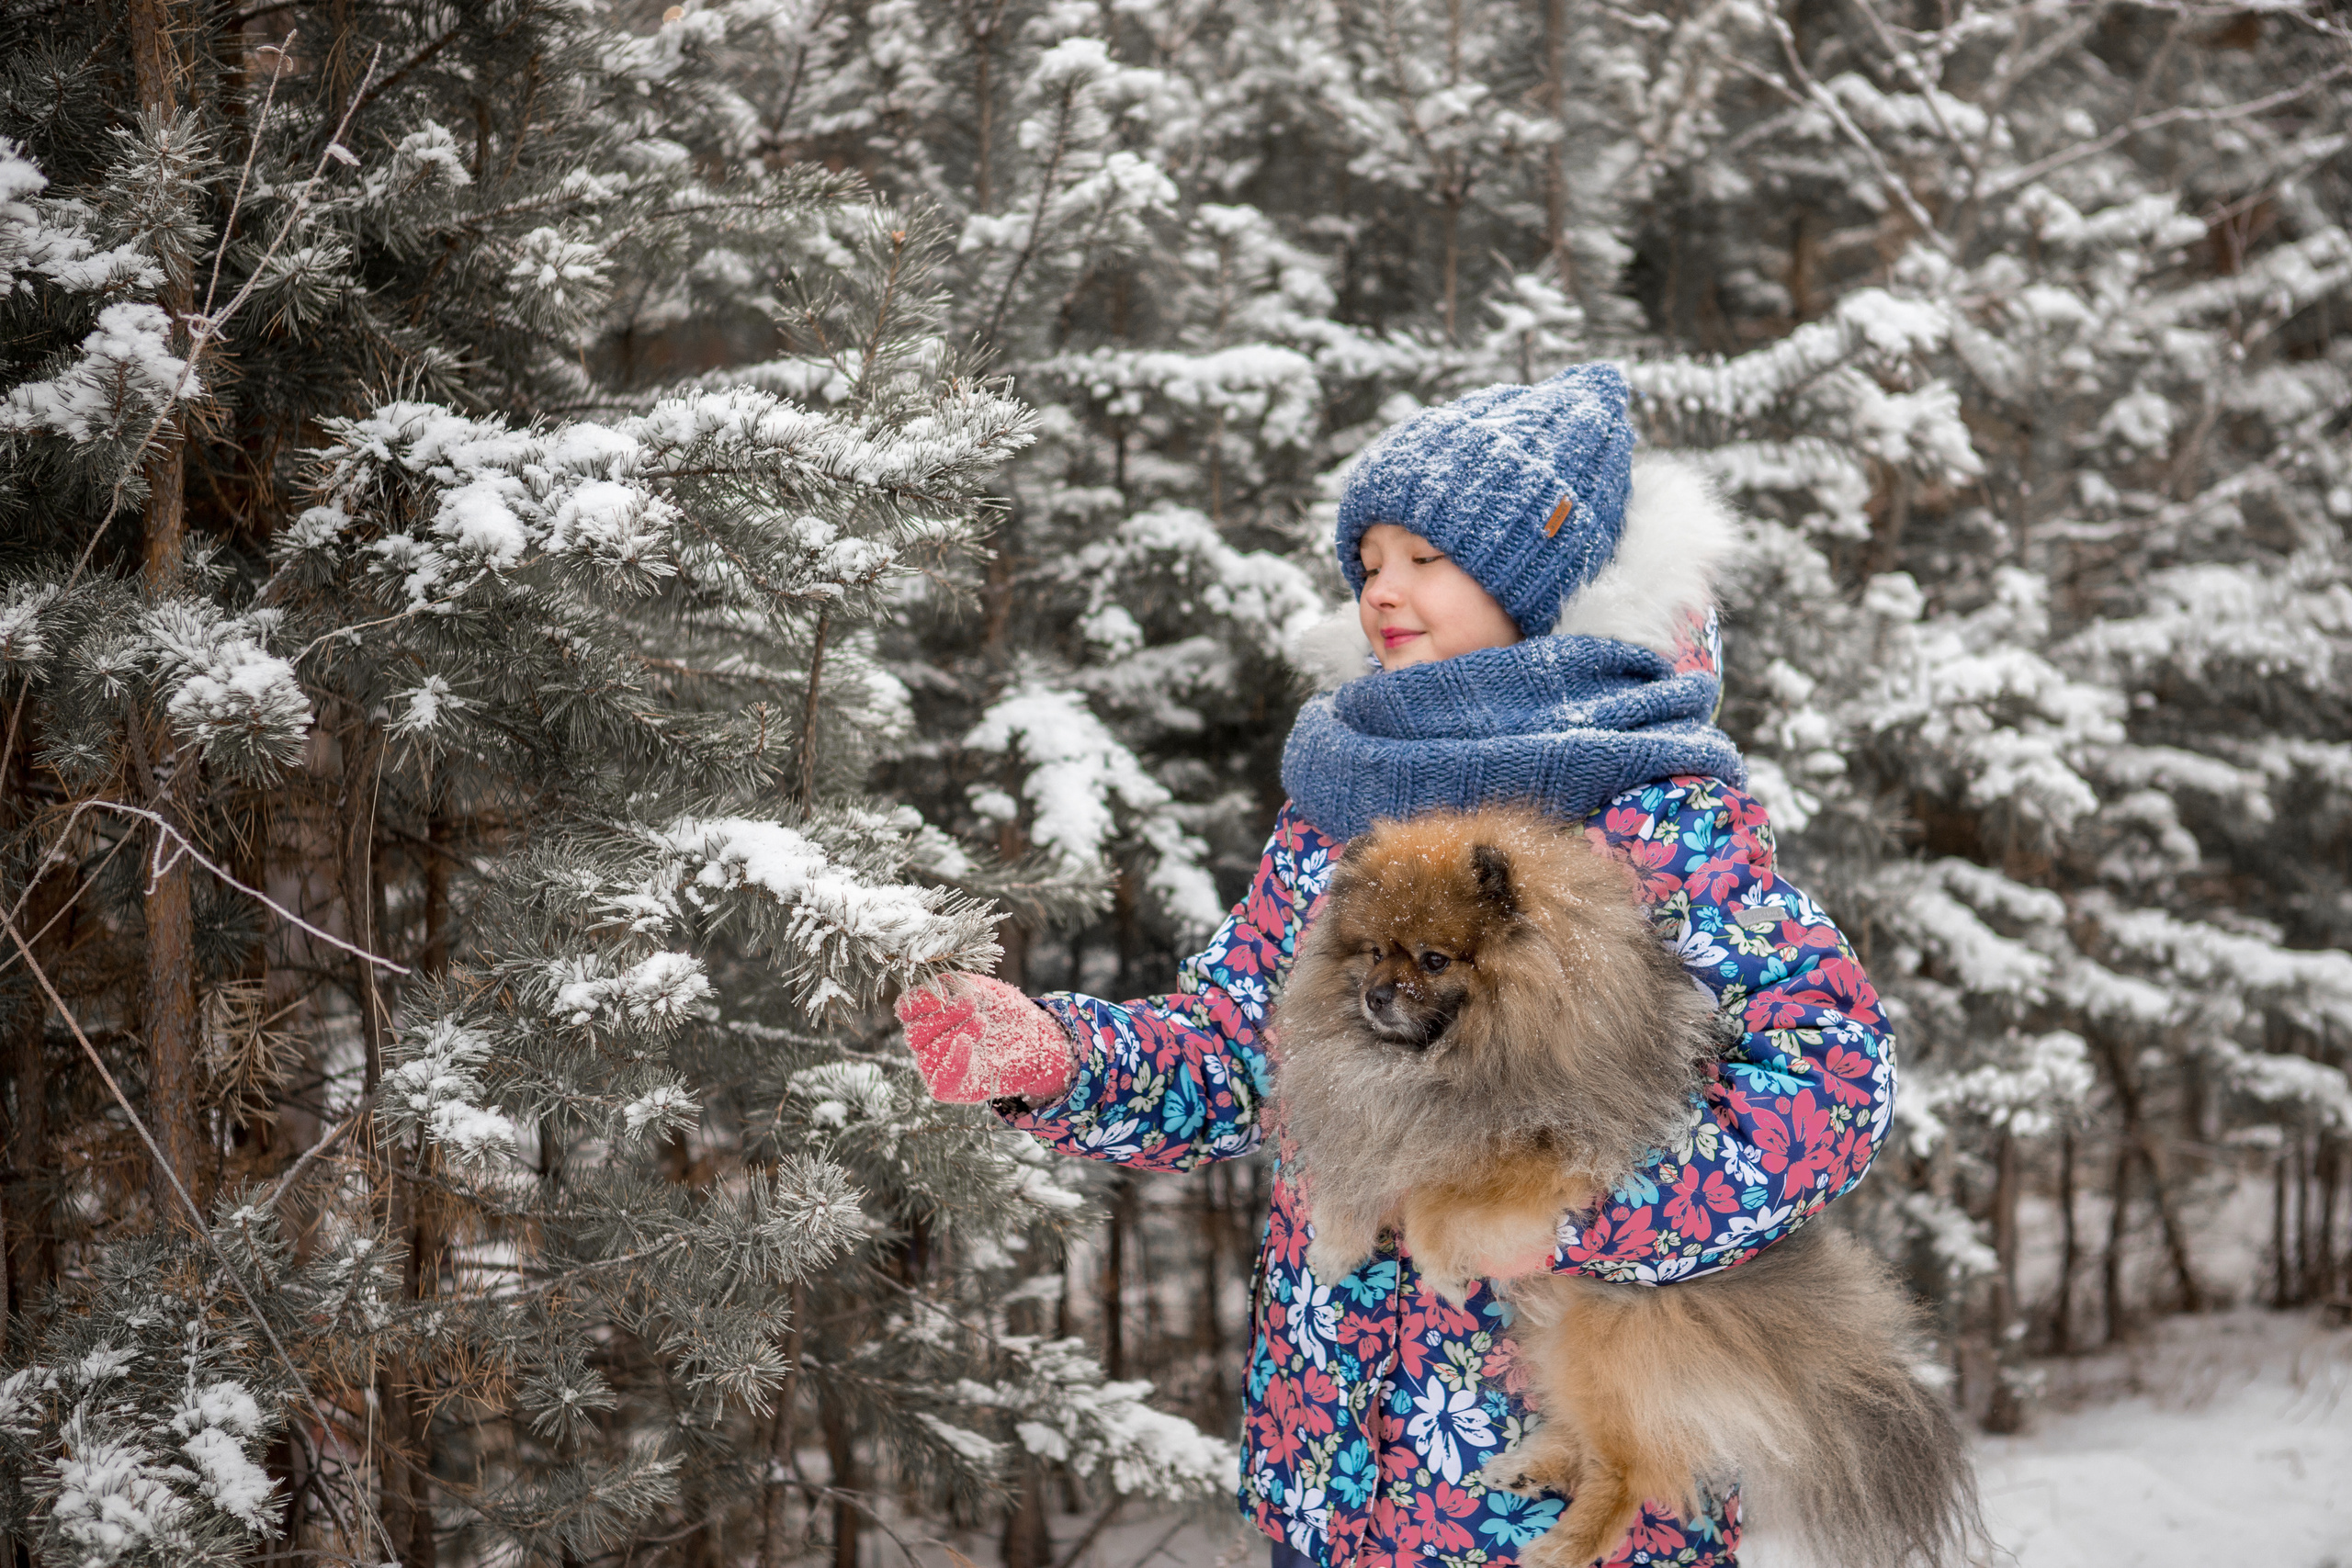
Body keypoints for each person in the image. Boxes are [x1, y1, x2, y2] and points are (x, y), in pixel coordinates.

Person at [897, 365, 1894, 1568]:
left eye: (1425, 557)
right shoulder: (1340, 803)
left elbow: (1832, 1078)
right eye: (1367, 561)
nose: (1384, 591)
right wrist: (1058, 1057)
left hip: (1560, 1489)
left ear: (1535, 576)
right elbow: (1239, 1048)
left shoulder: (1649, 802)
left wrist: (1575, 1222)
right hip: (1333, 1468)